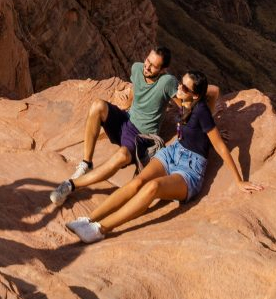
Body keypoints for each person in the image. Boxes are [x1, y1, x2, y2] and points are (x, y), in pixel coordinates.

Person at [67, 70, 261, 243]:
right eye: (180, 82)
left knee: (153, 187)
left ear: (195, 95)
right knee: (137, 182)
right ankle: (89, 219)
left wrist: (239, 181)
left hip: (190, 168)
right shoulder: (185, 101)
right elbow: (214, 90)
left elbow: (220, 147)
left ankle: (100, 229)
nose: (178, 87)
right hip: (172, 152)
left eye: (184, 87)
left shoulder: (201, 111)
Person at [49, 46, 215, 206]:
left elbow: (186, 106)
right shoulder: (137, 68)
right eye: (147, 61)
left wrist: (208, 128)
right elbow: (137, 88)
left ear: (163, 69)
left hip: (141, 136)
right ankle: (86, 163)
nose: (147, 67)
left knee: (122, 155)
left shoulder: (167, 82)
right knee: (98, 105)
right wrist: (128, 104)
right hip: (126, 120)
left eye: (153, 66)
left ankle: (71, 185)